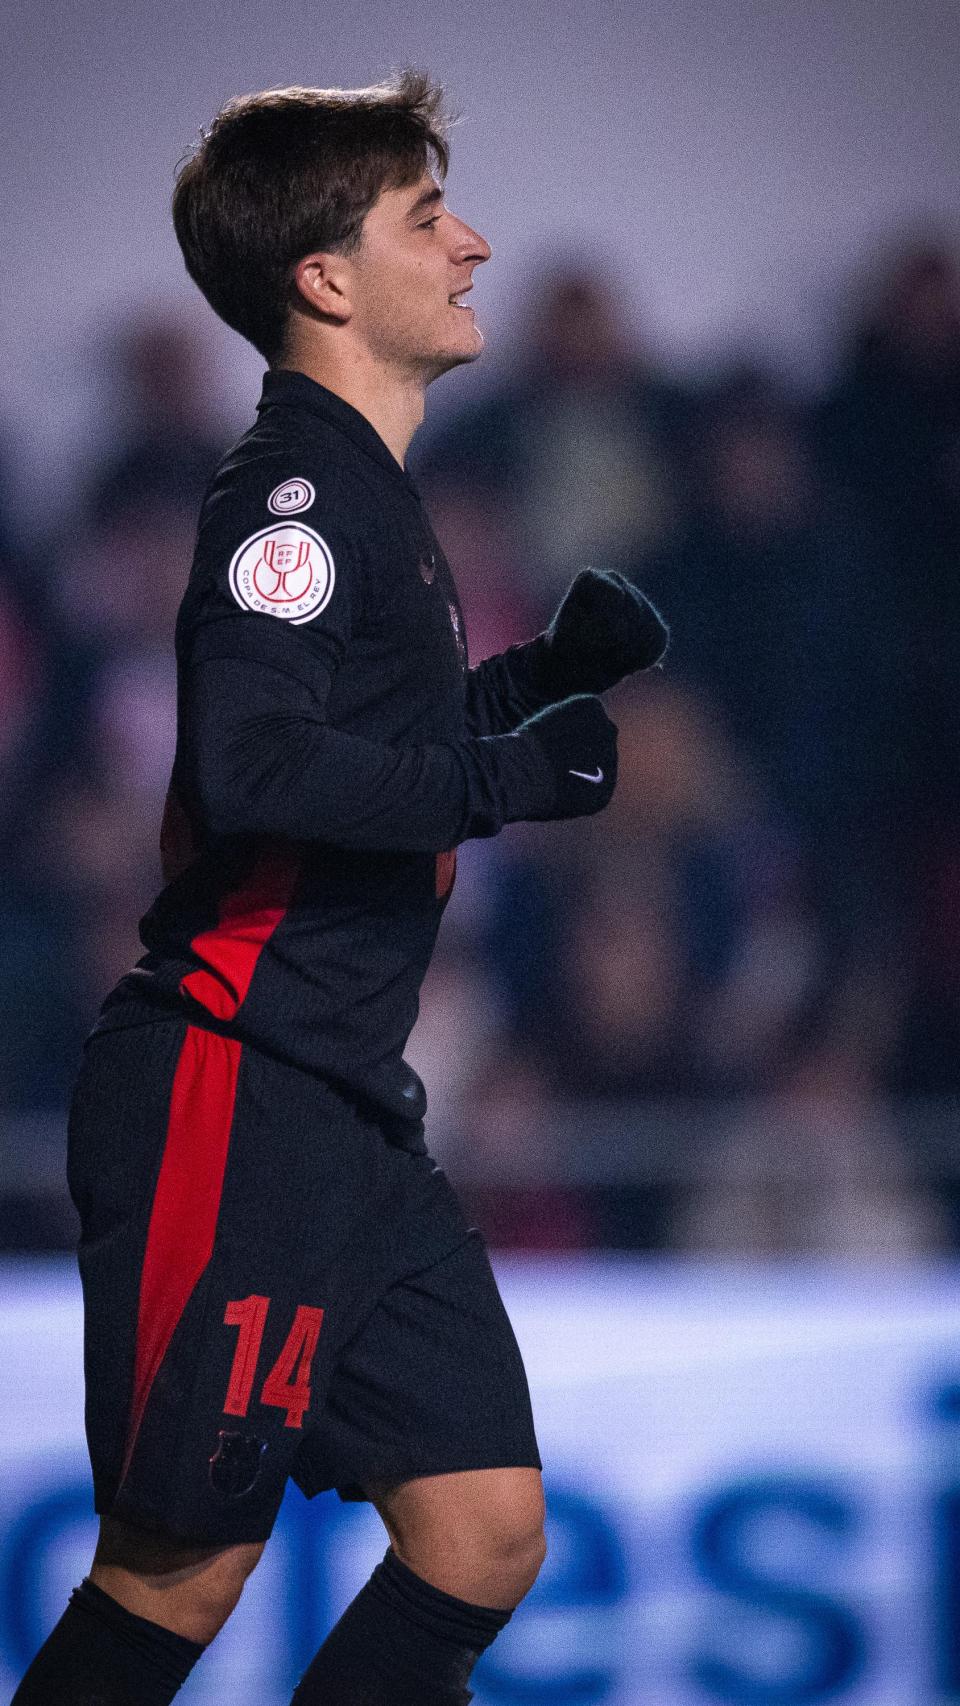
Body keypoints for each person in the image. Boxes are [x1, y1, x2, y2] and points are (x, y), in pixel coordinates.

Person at [13, 73, 667, 1705]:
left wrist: (523, 685)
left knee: (484, 1531)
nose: (473, 244)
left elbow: (338, 756)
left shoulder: (368, 493)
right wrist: (511, 777)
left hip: (340, 1110)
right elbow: (252, 768)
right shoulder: (292, 498)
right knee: (176, 1572)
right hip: (231, 1098)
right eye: (426, 217)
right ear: (325, 277)